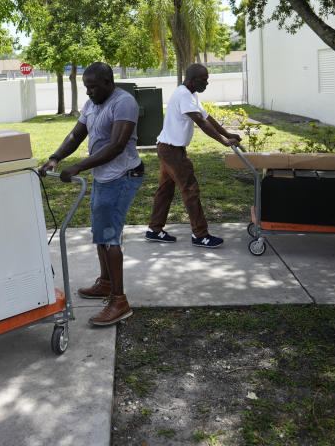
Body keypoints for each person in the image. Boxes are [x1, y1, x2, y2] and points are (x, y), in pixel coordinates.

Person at [40, 62, 144, 326]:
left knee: (109, 237)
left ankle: (119, 302)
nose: (89, 92)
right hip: (103, 176)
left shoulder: (124, 103)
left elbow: (118, 145)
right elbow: (76, 134)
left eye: (93, 87)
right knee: (100, 232)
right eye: (86, 87)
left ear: (109, 82)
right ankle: (107, 283)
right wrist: (56, 157)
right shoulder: (92, 104)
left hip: (122, 176)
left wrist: (79, 166)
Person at [145, 63, 241, 248]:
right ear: (192, 80)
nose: (207, 82)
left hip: (169, 148)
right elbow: (200, 122)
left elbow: (207, 118)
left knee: (165, 191)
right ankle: (200, 235)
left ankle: (154, 230)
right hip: (172, 151)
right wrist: (223, 141)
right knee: (190, 189)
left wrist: (228, 134)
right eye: (203, 79)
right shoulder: (183, 95)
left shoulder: (191, 94)